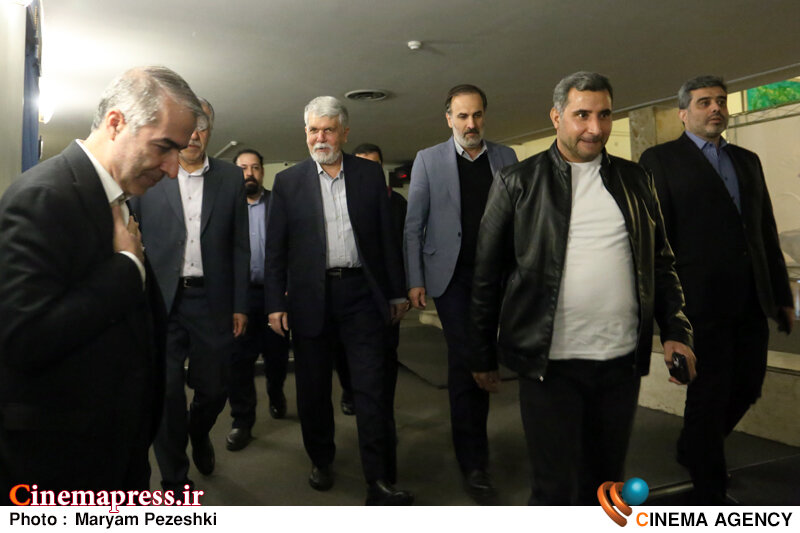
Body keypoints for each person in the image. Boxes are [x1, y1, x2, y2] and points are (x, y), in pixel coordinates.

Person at [469, 71, 696, 505]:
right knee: (554, 488)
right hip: (551, 365)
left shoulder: (636, 180)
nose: (595, 127)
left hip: (619, 362)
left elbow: (661, 263)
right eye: (582, 115)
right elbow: (486, 276)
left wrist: (676, 331)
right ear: (556, 117)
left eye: (604, 115)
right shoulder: (517, 182)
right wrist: (481, 355)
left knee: (606, 481)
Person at [0, 66, 203, 498]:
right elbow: (22, 338)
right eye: (164, 147)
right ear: (115, 123)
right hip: (61, 459)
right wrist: (126, 268)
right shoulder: (44, 196)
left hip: (111, 443)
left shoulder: (113, 196)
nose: (173, 169)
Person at [639, 75, 793, 504]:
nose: (716, 108)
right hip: (698, 305)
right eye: (704, 102)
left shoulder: (747, 161)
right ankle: (709, 490)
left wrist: (781, 297)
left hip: (750, 301)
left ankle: (693, 447)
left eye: (721, 101)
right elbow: (656, 242)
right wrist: (668, 316)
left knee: (749, 385)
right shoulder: (660, 160)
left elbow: (764, 231)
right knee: (707, 396)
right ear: (683, 113)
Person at [265, 96, 413, 505]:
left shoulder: (368, 174)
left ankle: (379, 479)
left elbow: (385, 238)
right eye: (313, 130)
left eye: (328, 130)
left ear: (344, 133)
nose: (320, 138)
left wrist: (396, 291)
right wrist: (275, 302)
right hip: (310, 298)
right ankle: (321, 459)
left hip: (362, 295)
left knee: (372, 389)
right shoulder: (289, 182)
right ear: (306, 134)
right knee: (313, 390)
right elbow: (276, 249)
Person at [404, 84, 517, 501]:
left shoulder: (505, 157)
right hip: (450, 277)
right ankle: (474, 462)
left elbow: (518, 217)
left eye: (477, 115)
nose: (471, 124)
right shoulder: (428, 159)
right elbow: (413, 225)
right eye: (463, 116)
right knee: (470, 354)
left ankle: (472, 450)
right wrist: (415, 279)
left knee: (471, 358)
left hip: (496, 277)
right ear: (449, 118)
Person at [130, 98, 250, 492]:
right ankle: (175, 478)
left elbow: (240, 245)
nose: (194, 134)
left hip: (212, 301)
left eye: (202, 126)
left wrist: (240, 304)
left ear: (211, 130)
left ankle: (198, 430)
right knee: (165, 394)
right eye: (189, 126)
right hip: (160, 301)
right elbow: (130, 233)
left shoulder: (230, 178)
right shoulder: (151, 173)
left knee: (214, 388)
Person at [336, 143, 408, 418]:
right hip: (356, 290)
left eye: (373, 165)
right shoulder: (343, 200)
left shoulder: (397, 203)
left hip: (388, 290)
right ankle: (350, 390)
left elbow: (401, 248)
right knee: (345, 349)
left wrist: (402, 290)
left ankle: (383, 412)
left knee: (387, 352)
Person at [225, 148, 290, 451]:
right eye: (243, 168)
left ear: (263, 172)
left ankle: (276, 393)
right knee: (238, 361)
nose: (249, 174)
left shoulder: (280, 203)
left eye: (254, 168)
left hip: (275, 294)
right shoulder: (225, 207)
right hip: (239, 296)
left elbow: (294, 246)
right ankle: (242, 421)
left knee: (277, 356)